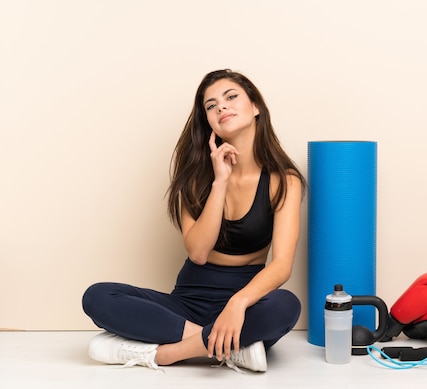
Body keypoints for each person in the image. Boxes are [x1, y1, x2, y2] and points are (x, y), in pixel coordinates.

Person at [82, 69, 306, 372]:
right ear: (208, 122)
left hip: (245, 303)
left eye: (231, 97)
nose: (221, 107)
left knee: (286, 305)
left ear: (255, 107)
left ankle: (167, 354)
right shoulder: (194, 180)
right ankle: (226, 347)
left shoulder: (284, 180)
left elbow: (281, 265)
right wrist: (220, 182)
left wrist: (237, 305)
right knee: (97, 296)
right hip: (187, 303)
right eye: (211, 106)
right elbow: (198, 252)